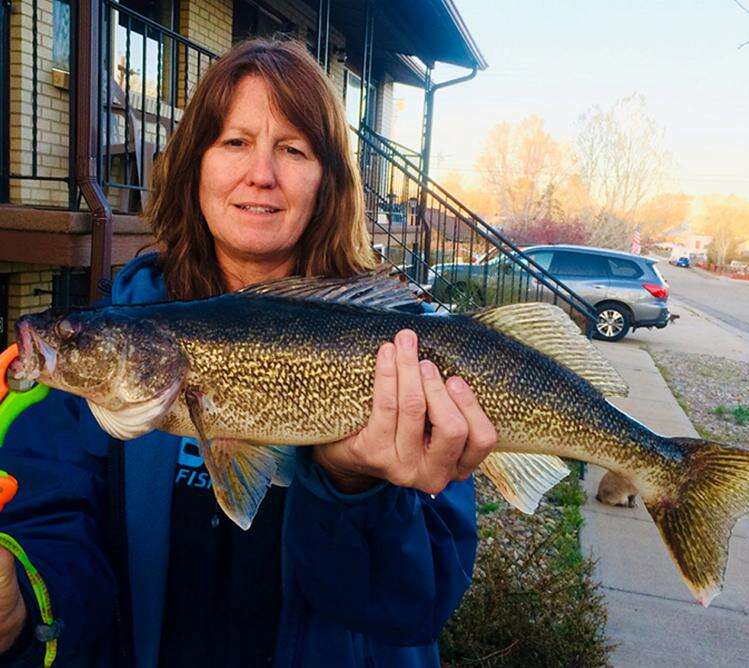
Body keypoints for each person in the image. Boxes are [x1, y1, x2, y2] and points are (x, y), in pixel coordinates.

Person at [0, 39, 497, 667]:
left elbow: (415, 610)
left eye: (292, 149)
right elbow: (53, 522)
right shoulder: (96, 376)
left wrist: (353, 486)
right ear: (196, 164)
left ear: (327, 182)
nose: (260, 172)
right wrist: (19, 602)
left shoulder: (405, 349)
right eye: (234, 142)